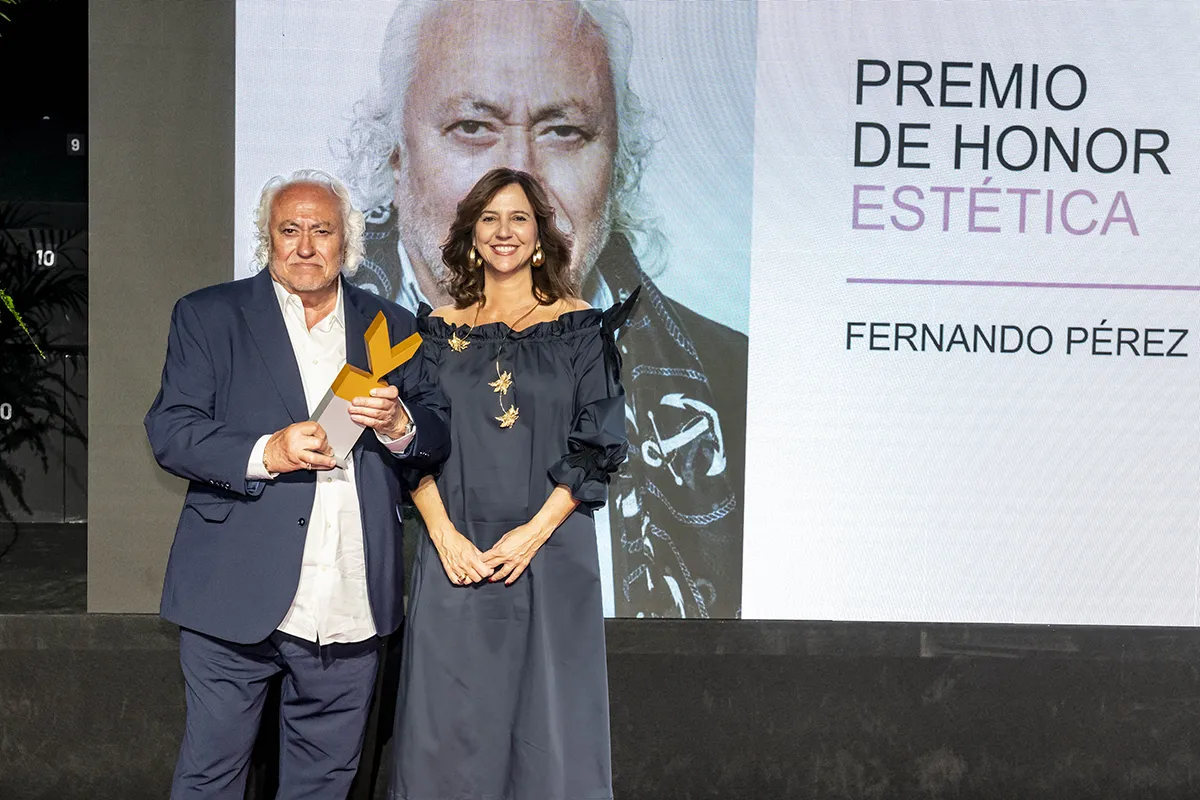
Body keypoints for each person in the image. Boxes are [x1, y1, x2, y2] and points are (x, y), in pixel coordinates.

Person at [342, 0, 745, 618]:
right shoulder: (339, 345)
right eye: (472, 126)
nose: (517, 178)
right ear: (395, 155)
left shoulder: (735, 383)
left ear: (618, 163)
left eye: (563, 131)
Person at [144, 169, 449, 798]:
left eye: (322, 231)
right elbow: (171, 430)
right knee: (212, 776)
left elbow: (437, 434)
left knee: (324, 782)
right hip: (232, 592)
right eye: (290, 229)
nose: (306, 246)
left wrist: (401, 424)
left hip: (349, 599)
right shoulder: (208, 314)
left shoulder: (394, 324)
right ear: (268, 238)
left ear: (347, 242)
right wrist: (268, 451)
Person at [389, 168, 633, 799]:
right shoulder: (433, 331)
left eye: (519, 217)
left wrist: (531, 535)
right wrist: (444, 538)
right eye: (490, 218)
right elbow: (412, 444)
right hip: (456, 553)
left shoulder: (582, 329)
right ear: (471, 234)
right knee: (449, 729)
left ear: (540, 235)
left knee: (550, 731)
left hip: (551, 551)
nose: (504, 231)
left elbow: (598, 445)